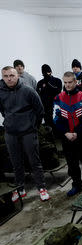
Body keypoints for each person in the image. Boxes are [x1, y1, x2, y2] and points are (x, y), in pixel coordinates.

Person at [0, 66, 49, 202]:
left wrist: (33, 125)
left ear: (17, 76)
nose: (9, 78)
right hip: (10, 132)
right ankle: (20, 188)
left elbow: (40, 110)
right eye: (6, 76)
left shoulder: (28, 90)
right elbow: (3, 111)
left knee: (34, 161)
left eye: (11, 75)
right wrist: (11, 121)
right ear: (3, 77)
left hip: (28, 131)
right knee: (16, 162)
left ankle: (42, 188)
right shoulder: (1, 91)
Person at [53, 72, 82, 196]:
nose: (68, 85)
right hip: (67, 138)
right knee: (71, 163)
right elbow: (56, 118)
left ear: (76, 82)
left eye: (70, 82)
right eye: (65, 82)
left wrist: (76, 133)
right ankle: (76, 185)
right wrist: (66, 133)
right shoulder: (58, 98)